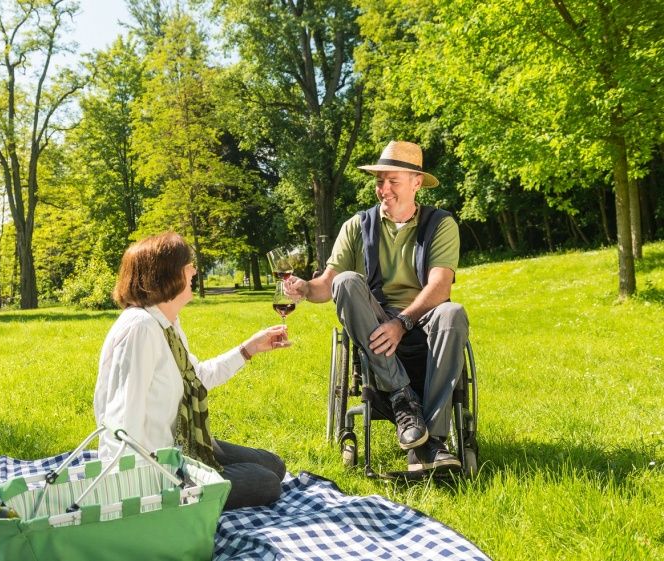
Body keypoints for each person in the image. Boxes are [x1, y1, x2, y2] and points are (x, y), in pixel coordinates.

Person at [285, 140, 469, 472]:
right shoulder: (357, 226)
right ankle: (403, 399)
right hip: (374, 323)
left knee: (452, 313)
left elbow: (440, 286)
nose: (383, 189)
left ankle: (430, 442)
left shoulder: (441, 224)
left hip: (422, 322)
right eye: (379, 181)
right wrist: (304, 288)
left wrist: (403, 323)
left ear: (416, 183)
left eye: (392, 181)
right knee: (346, 281)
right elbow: (326, 285)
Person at [94, 232, 290, 509]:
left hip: (185, 445)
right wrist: (134, 495)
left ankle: (206, 468)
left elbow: (198, 378)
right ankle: (185, 494)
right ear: (168, 273)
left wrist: (249, 349)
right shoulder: (140, 329)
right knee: (265, 482)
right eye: (189, 265)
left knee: (274, 465)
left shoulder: (167, 324)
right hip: (158, 470)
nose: (195, 271)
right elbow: (120, 420)